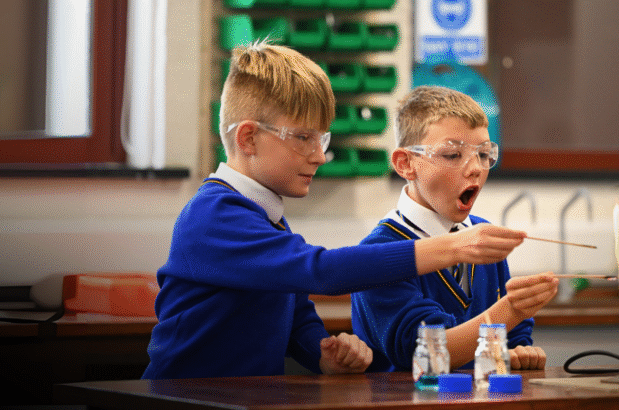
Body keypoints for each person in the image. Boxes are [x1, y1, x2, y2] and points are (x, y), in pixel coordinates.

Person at [142, 43, 529, 380]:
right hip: (179, 394)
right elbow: (321, 272)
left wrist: (323, 353)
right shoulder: (215, 216)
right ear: (248, 138)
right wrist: (454, 248)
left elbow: (295, 312)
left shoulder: (263, 214)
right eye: (303, 138)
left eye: (321, 138)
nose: (319, 155)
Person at [350, 86, 559, 372]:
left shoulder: (483, 236)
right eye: (452, 154)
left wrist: (519, 351)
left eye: (484, 154)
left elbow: (512, 338)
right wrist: (512, 310)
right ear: (406, 164)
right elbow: (424, 354)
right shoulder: (379, 253)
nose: (475, 168)